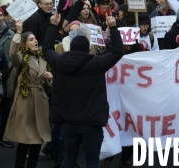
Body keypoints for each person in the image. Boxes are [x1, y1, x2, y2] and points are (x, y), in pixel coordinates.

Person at [42, 11, 124, 168]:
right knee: (92, 160)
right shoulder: (97, 64)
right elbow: (117, 52)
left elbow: (46, 47)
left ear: (70, 48)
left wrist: (53, 25)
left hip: (68, 120)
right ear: (88, 49)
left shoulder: (59, 63)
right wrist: (113, 27)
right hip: (92, 122)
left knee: (69, 158)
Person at [3, 21, 53, 168]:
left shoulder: (42, 57)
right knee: (25, 140)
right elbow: (12, 52)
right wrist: (18, 32)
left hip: (41, 101)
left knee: (38, 140)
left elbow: (47, 84)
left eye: (35, 39)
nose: (35, 41)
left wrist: (49, 79)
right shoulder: (21, 59)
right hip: (25, 101)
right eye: (31, 39)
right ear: (24, 45)